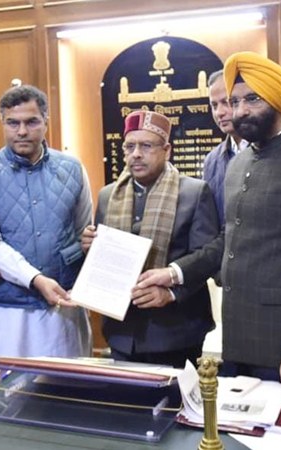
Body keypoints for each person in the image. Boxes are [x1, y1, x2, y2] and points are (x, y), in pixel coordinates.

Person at [138, 52, 281, 388]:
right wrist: (174, 273)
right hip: (237, 338)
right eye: (234, 102)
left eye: (252, 99)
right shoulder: (239, 163)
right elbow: (230, 238)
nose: (239, 111)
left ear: (279, 100)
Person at [0, 85, 92, 358]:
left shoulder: (73, 169)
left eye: (31, 122)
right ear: (3, 123)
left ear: (46, 121)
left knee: (67, 381)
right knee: (6, 382)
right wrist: (35, 279)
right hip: (6, 309)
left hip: (63, 304)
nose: (22, 131)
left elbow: (83, 232)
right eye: (13, 123)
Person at [81, 110, 219, 368]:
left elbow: (207, 258)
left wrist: (171, 293)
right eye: (129, 146)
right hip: (121, 331)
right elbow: (105, 259)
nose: (136, 154)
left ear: (167, 150)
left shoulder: (194, 192)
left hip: (175, 330)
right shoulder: (109, 195)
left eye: (146, 146)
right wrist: (90, 247)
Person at [203, 70, 248, 226]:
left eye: (226, 102)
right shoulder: (212, 161)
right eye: (214, 105)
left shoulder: (270, 151)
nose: (219, 113)